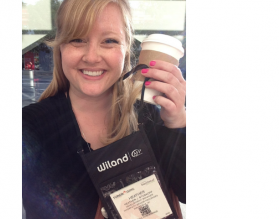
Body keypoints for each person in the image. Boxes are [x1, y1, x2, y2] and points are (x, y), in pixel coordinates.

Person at [22, 0, 186, 218]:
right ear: (61, 48)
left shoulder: (151, 117)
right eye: (77, 39)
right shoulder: (31, 127)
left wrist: (178, 124)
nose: (91, 57)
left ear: (126, 49)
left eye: (109, 41)